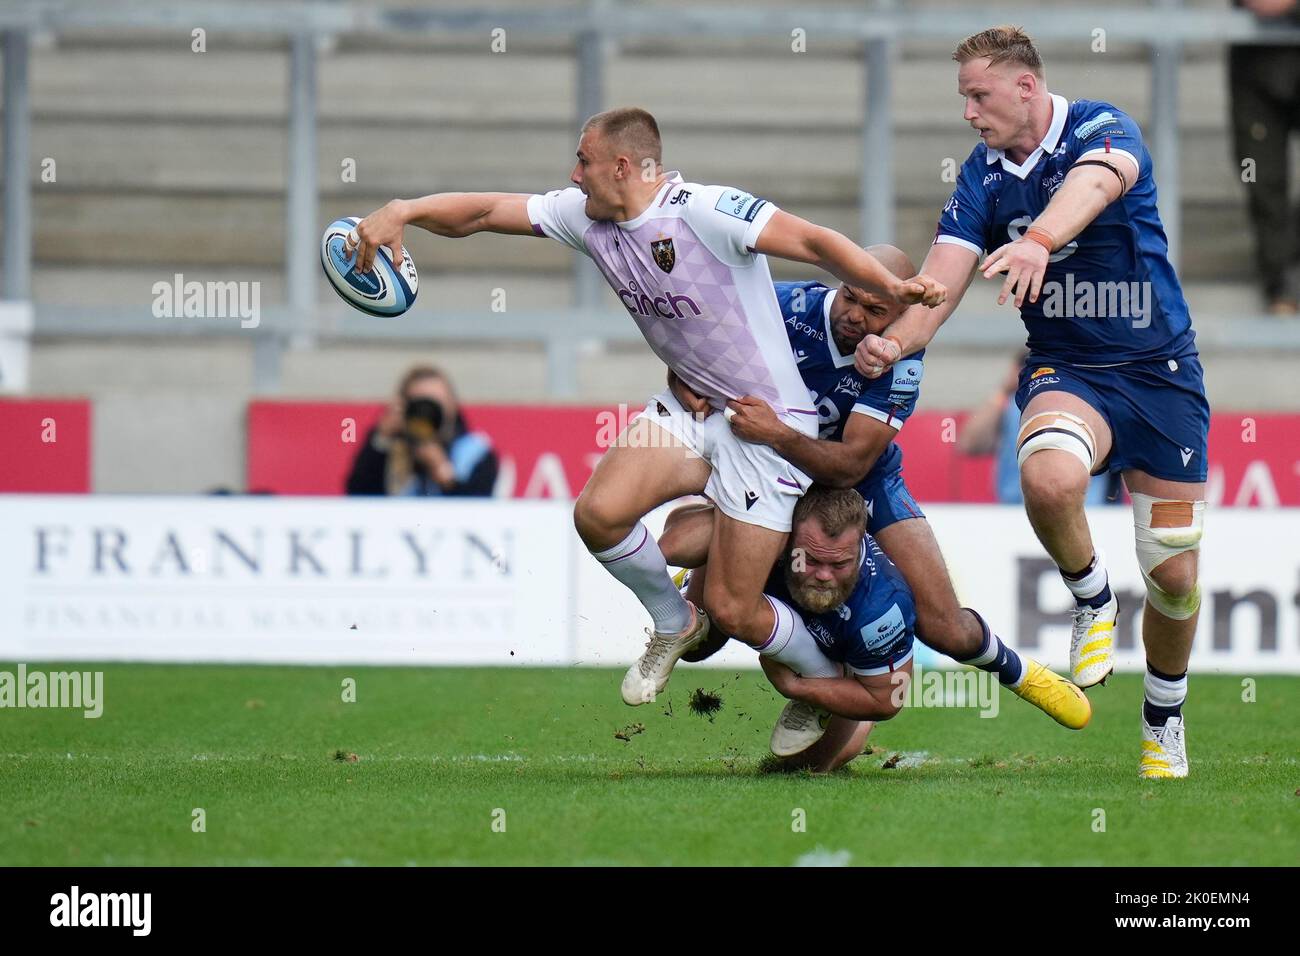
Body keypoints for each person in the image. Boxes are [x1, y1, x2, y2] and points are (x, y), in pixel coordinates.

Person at [347, 107, 945, 708]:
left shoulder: (706, 211)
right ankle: (673, 621)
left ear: (622, 166)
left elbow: (814, 242)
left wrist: (891, 288)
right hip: (693, 410)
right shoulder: (584, 217)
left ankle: (816, 684)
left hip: (769, 427)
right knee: (598, 515)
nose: (575, 175)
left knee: (736, 610)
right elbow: (482, 213)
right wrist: (405, 211)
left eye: (584, 161)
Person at [854, 27, 1210, 778]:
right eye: (964, 99)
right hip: (1067, 369)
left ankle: (1163, 717)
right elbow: (940, 283)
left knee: (1174, 576)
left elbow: (1099, 181)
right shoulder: (981, 180)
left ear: (1024, 87)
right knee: (1049, 478)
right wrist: (897, 342)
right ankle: (1090, 596)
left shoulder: (1101, 126)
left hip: (1161, 374)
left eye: (978, 96)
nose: (969, 113)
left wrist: (1040, 238)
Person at [663, 246, 1090, 743]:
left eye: (874, 310)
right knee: (700, 643)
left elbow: (851, 464)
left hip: (860, 484)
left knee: (944, 626)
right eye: (850, 297)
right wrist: (682, 375)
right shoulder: (784, 304)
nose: (854, 316)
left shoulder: (901, 360)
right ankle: (712, 561)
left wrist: (777, 433)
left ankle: (1021, 674)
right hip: (770, 470)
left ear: (903, 314)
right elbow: (693, 330)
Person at [958, 352, 1121, 505]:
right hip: (1014, 513)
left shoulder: (1098, 404)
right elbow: (969, 444)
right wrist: (1002, 392)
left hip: (1088, 512)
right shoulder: (1013, 406)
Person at [1229, 0, 1300, 313]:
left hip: (1263, 49)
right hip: (1259, 57)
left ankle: (1286, 279)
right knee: (1259, 172)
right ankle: (1282, 286)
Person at [345, 365, 498, 497]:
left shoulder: (474, 451)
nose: (428, 413)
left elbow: (479, 510)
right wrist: (381, 440)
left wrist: (444, 475)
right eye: (421, 404)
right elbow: (358, 496)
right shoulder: (388, 447)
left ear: (452, 404)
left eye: (435, 403)